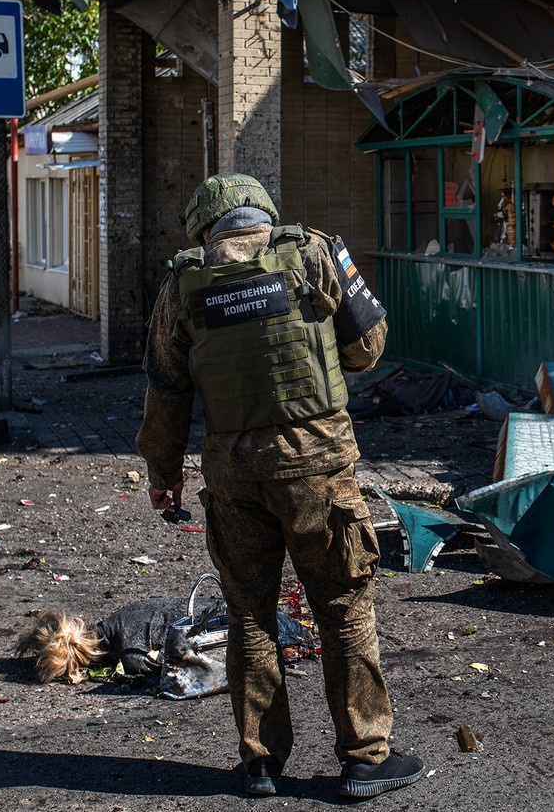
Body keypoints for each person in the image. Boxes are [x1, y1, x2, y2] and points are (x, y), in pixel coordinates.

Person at [136, 173, 425, 799]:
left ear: (204, 228)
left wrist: (163, 477)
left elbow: (167, 390)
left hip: (233, 476)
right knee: (344, 611)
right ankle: (365, 760)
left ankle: (262, 763)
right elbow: (368, 348)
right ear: (265, 214)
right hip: (317, 466)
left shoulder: (182, 283)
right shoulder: (315, 252)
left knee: (250, 615)